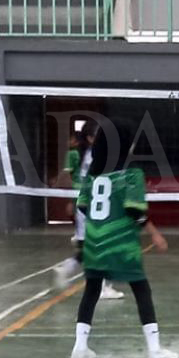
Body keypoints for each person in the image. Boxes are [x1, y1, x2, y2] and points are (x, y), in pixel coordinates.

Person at [69, 120, 177, 358]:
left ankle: (79, 347)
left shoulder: (92, 177)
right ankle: (154, 350)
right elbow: (135, 211)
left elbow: (83, 207)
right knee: (141, 289)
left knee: (91, 290)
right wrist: (154, 233)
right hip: (121, 244)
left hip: (94, 243)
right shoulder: (132, 174)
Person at [54, 124, 123, 300]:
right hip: (94, 207)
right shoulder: (96, 155)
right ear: (90, 138)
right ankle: (102, 288)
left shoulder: (88, 154)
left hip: (88, 205)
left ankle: (67, 268)